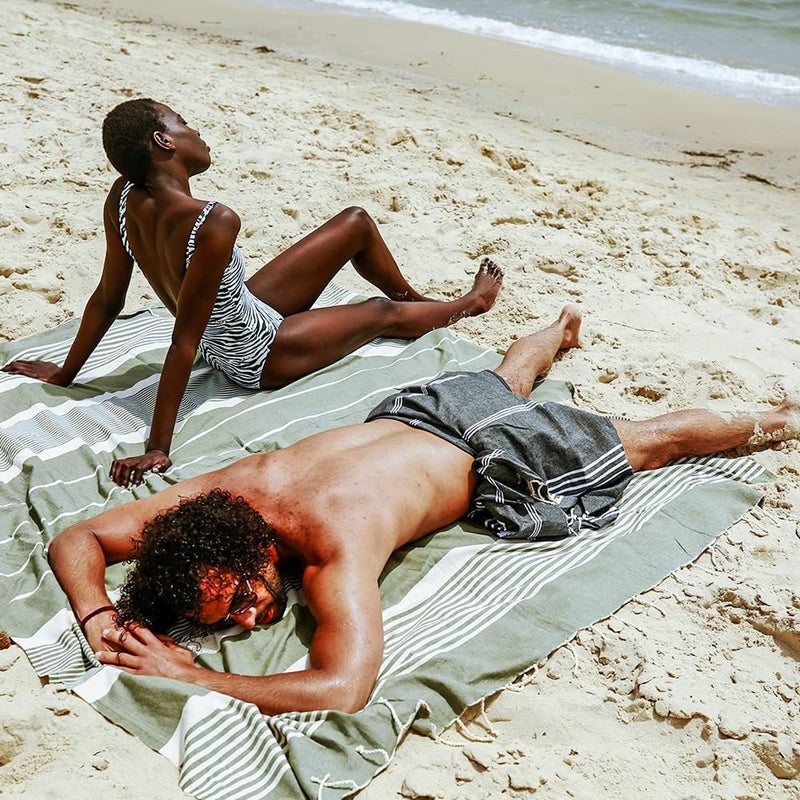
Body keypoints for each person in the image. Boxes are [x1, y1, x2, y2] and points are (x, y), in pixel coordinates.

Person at [47, 306, 798, 715]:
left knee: (651, 442)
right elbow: (79, 538)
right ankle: (559, 329)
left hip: (498, 453)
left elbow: (343, 689)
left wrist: (198, 675)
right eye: (230, 618)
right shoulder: (225, 493)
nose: (251, 617)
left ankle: (782, 418)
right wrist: (96, 612)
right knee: (505, 378)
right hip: (422, 411)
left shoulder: (333, 548)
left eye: (241, 596)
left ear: (253, 551)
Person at [2, 98, 502, 488]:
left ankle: (416, 300)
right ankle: (468, 304)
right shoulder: (213, 220)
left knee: (355, 222)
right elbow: (184, 341)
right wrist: (158, 446)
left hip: (243, 311)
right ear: (164, 141)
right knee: (377, 311)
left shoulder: (123, 196)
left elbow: (107, 298)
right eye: (184, 123)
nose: (196, 131)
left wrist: (66, 373)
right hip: (255, 355)